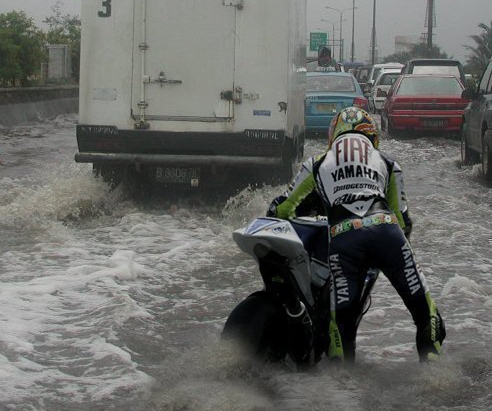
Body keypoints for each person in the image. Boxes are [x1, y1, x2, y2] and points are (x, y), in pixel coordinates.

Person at [267, 107, 445, 363]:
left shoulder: (316, 163)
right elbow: (403, 220)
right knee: (425, 312)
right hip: (387, 232)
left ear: (333, 135)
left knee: (339, 329)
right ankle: (435, 380)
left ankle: (343, 388)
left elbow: (282, 208)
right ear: (372, 136)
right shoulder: (388, 163)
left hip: (344, 239)